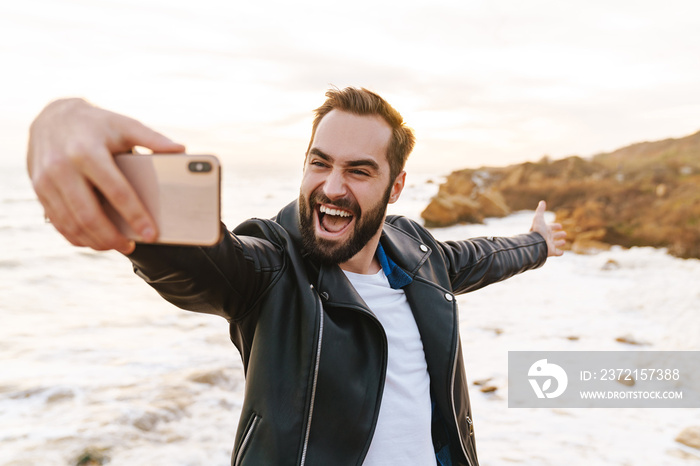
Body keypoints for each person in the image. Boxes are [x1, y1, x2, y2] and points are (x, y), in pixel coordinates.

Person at [27, 87, 566, 466]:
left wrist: (539, 243)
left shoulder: (419, 254)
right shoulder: (272, 267)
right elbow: (200, 259)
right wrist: (62, 120)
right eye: (319, 162)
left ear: (395, 187)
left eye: (359, 170)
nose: (332, 187)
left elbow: (487, 254)